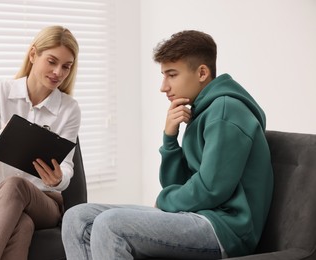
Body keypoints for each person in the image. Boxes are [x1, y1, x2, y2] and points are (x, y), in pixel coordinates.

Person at [61, 30, 273, 259]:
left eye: (171, 75)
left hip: (225, 228)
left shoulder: (225, 110)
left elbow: (211, 189)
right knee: (77, 218)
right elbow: (178, 183)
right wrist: (170, 138)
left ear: (202, 72)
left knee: (110, 224)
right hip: (196, 216)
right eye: (164, 75)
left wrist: (164, 199)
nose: (163, 86)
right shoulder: (200, 111)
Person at [0, 25, 80, 260]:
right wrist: (3, 135)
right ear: (32, 55)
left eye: (66, 66)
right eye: (52, 61)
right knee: (20, 224)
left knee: (15, 184)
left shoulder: (69, 109)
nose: (58, 72)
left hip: (43, 201)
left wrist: (59, 179)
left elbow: (67, 166)